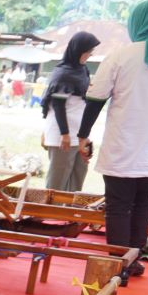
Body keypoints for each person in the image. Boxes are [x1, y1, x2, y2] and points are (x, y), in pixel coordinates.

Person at [78, 0, 148, 285]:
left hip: (123, 146)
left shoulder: (121, 56)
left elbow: (95, 100)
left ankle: (117, 269)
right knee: (145, 204)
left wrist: (83, 137)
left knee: (119, 206)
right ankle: (132, 262)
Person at [42, 32, 101, 192]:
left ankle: (69, 215)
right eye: (88, 51)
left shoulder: (83, 70)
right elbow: (58, 105)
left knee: (78, 176)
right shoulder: (63, 73)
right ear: (78, 50)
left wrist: (85, 134)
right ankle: (50, 214)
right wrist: (65, 134)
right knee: (57, 182)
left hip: (79, 133)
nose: (89, 55)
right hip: (63, 134)